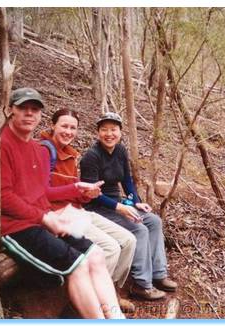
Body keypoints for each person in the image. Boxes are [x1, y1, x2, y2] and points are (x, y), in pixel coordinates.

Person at [0, 88, 125, 318]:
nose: (29, 114)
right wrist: (45, 218)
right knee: (78, 265)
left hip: (38, 221)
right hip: (11, 228)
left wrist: (76, 189)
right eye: (23, 108)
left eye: (35, 109)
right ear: (10, 110)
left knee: (96, 255)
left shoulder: (37, 150)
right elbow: (2, 198)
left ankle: (116, 317)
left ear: (41, 115)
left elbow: (41, 191)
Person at [40, 108, 137, 312]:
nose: (68, 131)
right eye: (64, 126)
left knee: (129, 241)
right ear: (53, 125)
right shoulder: (45, 151)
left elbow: (76, 192)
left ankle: (111, 291)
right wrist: (76, 189)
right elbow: (41, 193)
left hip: (77, 210)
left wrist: (87, 194)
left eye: (73, 127)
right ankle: (94, 302)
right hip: (58, 215)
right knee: (110, 248)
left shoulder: (70, 154)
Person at [80, 112, 177, 300]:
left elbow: (127, 181)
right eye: (104, 129)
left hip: (119, 204)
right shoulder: (91, 157)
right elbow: (92, 195)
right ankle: (142, 284)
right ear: (98, 133)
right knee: (139, 229)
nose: (109, 134)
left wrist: (135, 201)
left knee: (154, 221)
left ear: (120, 132)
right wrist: (120, 208)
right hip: (98, 208)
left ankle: (158, 273)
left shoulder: (120, 151)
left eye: (113, 129)